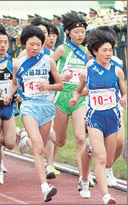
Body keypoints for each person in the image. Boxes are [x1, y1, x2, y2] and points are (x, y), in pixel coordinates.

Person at [4, 25, 63, 202]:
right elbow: (15, 83)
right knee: (38, 147)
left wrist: (47, 86)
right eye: (31, 44)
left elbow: (60, 85)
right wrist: (9, 95)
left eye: (38, 44)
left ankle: (24, 139)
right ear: (24, 44)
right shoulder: (19, 63)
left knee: (41, 147)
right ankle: (45, 187)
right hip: (28, 106)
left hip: (46, 106)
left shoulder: (48, 61)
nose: (35, 48)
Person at [69, 29, 126, 204]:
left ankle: (89, 161)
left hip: (112, 118)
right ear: (95, 52)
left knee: (108, 159)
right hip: (94, 118)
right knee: (100, 158)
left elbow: (124, 92)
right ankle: (105, 195)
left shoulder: (117, 71)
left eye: (110, 50)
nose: (108, 53)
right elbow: (78, 90)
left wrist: (124, 99)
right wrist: (75, 98)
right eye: (104, 50)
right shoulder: (87, 72)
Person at [51, 12, 89, 189]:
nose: (80, 35)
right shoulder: (61, 49)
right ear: (68, 32)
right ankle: (31, 136)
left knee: (81, 138)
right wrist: (59, 77)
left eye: (83, 31)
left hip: (79, 98)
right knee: (60, 141)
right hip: (61, 98)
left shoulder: (86, 52)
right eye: (77, 32)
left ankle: (83, 178)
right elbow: (46, 66)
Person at [0, 30, 19, 184]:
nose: (2, 45)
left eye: (5, 42)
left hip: (8, 106)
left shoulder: (14, 63)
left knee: (9, 143)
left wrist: (17, 95)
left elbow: (18, 83)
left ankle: (18, 134)